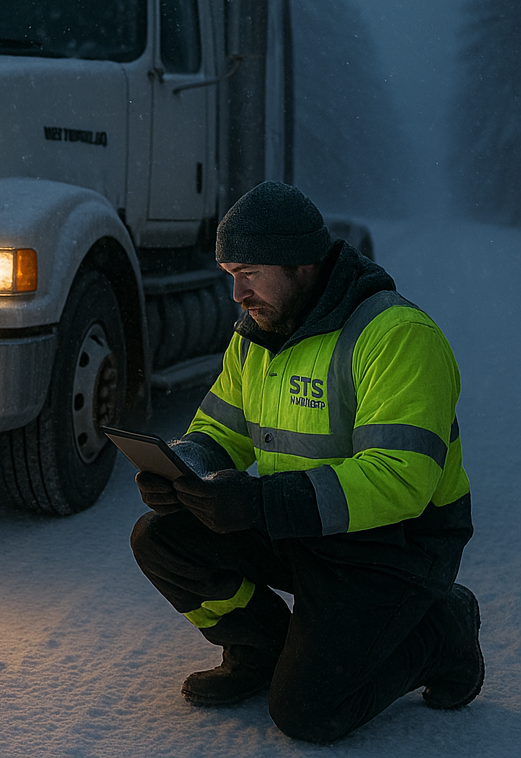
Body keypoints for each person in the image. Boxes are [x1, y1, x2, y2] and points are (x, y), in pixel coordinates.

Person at [130, 181, 482, 743]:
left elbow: (401, 479)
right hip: (301, 527)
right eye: (229, 274)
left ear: (302, 263)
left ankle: (444, 630)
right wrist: (185, 470)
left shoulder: (397, 336)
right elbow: (221, 427)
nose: (238, 293)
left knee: (311, 714)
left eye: (250, 272)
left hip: (393, 547)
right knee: (161, 536)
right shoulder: (256, 336)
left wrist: (259, 504)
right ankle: (259, 651)